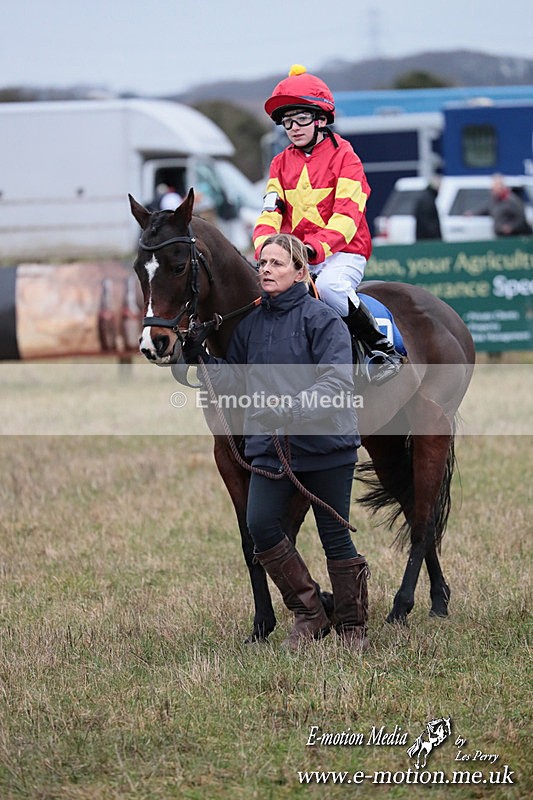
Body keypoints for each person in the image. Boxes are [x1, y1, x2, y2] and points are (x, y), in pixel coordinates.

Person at [182, 233, 369, 652]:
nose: (265, 269)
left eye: (277, 263)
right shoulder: (251, 326)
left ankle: (354, 626)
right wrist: (203, 359)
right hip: (271, 450)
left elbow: (337, 384)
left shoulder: (324, 321)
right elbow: (235, 378)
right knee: (260, 525)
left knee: (334, 537)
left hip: (327, 449)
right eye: (262, 263)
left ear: (301, 272)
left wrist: (287, 411)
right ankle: (310, 613)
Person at [253, 64, 402, 384]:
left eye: (301, 118)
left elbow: (348, 216)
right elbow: (271, 210)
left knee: (330, 288)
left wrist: (313, 248)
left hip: (343, 251)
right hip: (296, 256)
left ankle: (381, 349)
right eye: (287, 121)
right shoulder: (279, 163)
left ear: (321, 119)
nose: (293, 127)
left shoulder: (346, 157)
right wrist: (264, 246)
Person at [415, 176, 442, 240]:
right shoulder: (428, 200)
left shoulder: (427, 197)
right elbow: (428, 223)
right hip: (427, 239)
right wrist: (436, 237)